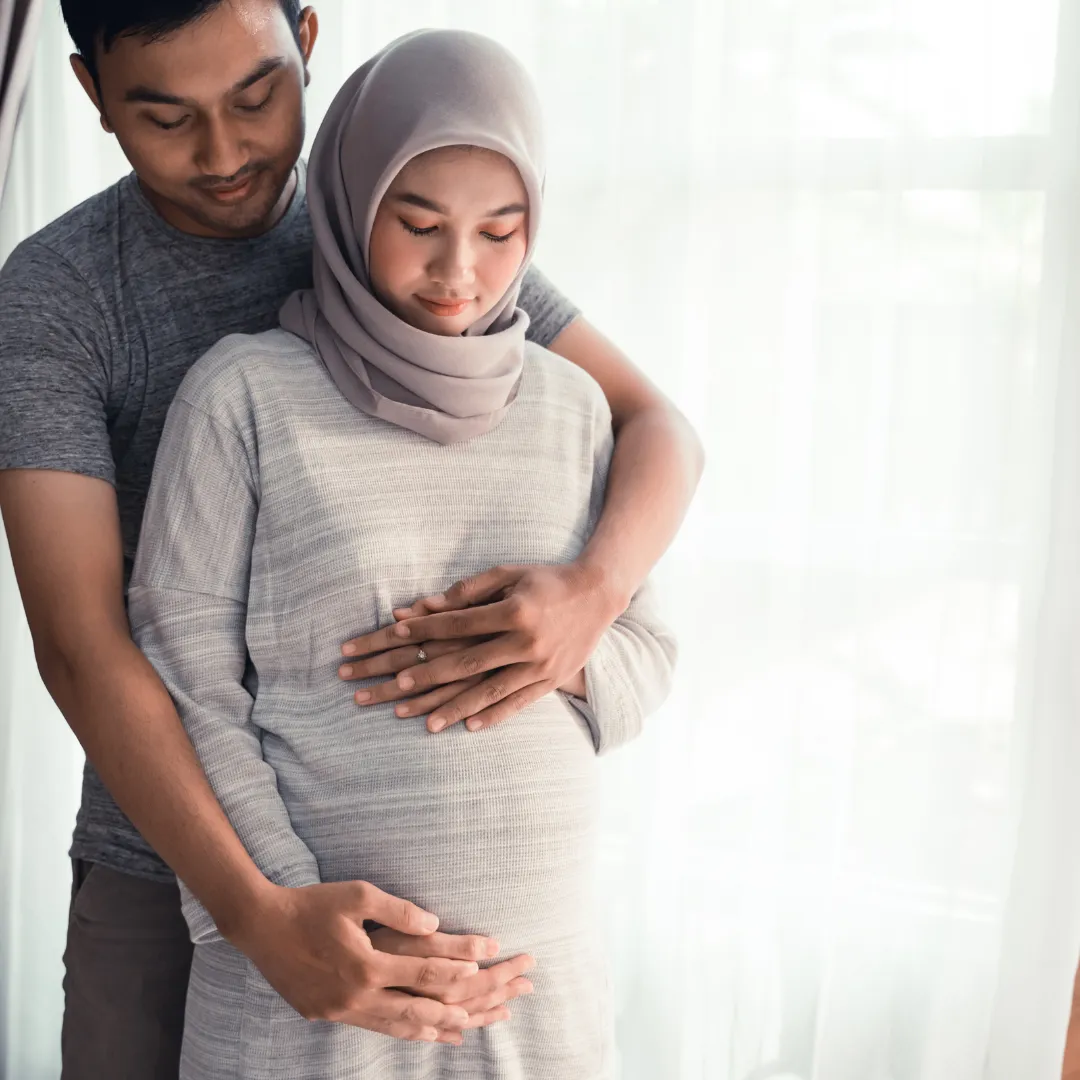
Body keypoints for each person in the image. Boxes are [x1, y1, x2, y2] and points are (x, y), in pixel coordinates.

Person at [0, 1, 702, 1076]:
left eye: (255, 96)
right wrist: (256, 910)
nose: (227, 153)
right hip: (166, 858)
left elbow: (656, 428)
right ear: (92, 94)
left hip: (483, 931)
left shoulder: (400, 213)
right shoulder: (60, 298)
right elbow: (85, 644)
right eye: (167, 117)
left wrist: (590, 598)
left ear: (308, 46)